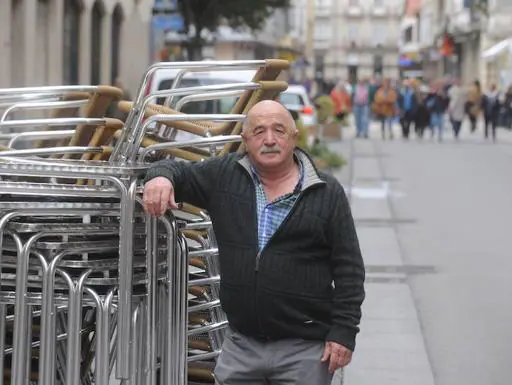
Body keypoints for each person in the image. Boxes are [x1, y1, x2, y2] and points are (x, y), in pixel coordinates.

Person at [143, 100, 366, 384]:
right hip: (242, 346)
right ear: (245, 140)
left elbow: (349, 270)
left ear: (294, 137)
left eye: (279, 130)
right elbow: (177, 171)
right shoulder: (225, 176)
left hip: (305, 349)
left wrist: (344, 333)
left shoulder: (326, 191)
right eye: (259, 131)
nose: (270, 139)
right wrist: (160, 178)